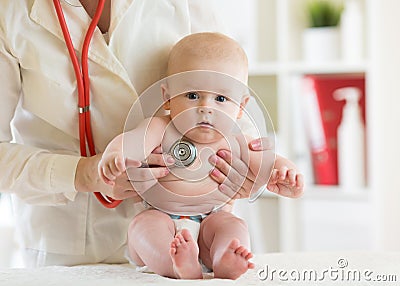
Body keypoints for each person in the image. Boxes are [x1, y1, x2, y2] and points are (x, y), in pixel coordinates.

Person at [0, 1, 274, 267]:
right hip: (68, 236)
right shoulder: (9, 11)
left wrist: (247, 168)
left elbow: (227, 87)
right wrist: (83, 173)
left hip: (198, 220)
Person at [99, 32, 304, 280]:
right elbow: (130, 142)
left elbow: (266, 162)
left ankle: (224, 257)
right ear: (167, 97)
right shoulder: (159, 127)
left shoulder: (236, 139)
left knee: (232, 225)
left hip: (211, 218)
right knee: (143, 227)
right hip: (160, 215)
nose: (206, 107)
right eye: (193, 95)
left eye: (220, 98)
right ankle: (173, 264)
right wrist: (115, 157)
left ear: (240, 107)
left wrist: (285, 171)